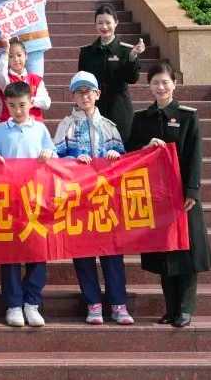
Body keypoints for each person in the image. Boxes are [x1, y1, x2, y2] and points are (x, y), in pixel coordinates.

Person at [127, 61, 211, 328]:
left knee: (186, 252)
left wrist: (192, 191)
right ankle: (171, 308)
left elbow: (194, 156)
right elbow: (130, 153)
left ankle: (185, 309)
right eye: (155, 83)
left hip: (182, 195)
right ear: (149, 86)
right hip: (156, 196)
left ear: (174, 84)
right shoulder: (141, 118)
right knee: (164, 252)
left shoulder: (187, 116)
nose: (160, 87)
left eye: (165, 82)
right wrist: (145, 147)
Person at [52, 72, 134, 326]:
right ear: (73, 97)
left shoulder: (109, 126)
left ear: (97, 94)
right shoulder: (66, 125)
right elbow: (55, 159)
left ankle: (118, 303)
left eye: (88, 91)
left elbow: (123, 159)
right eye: (79, 92)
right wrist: (72, 160)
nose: (84, 96)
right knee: (83, 252)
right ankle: (93, 303)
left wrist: (115, 155)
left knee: (112, 252)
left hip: (106, 200)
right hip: (78, 199)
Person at [0, 81, 56, 328]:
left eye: (22, 105)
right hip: (10, 199)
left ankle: (32, 302)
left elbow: (55, 156)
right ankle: (13, 304)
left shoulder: (40, 130)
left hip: (36, 199)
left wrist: (49, 155)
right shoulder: (0, 130)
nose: (18, 110)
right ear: (6, 105)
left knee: (38, 253)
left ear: (31, 102)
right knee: (10, 254)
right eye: (12, 105)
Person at [79, 4, 146, 141]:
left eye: (108, 22)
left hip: (119, 108)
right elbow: (82, 82)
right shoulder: (86, 52)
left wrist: (132, 57)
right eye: (100, 23)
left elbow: (132, 79)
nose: (104, 27)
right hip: (94, 109)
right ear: (95, 24)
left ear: (116, 23)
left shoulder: (126, 50)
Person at [0, 37, 50, 122]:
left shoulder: (36, 80)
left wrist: (29, 100)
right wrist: (6, 51)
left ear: (26, 56)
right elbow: (0, 74)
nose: (16, 59)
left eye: (19, 55)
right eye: (11, 56)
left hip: (34, 124)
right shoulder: (7, 81)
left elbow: (46, 103)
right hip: (10, 125)